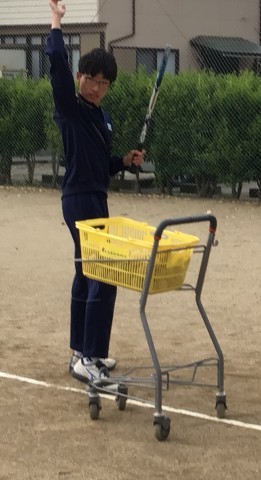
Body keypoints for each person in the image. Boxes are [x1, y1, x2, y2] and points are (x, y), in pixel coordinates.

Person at [46, 0, 145, 385]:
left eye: (104, 83)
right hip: (78, 200)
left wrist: (125, 161)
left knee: (87, 273)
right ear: (79, 77)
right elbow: (56, 65)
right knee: (104, 273)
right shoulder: (70, 107)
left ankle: (81, 351)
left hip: (94, 197)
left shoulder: (102, 117)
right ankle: (89, 357)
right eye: (92, 80)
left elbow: (100, 166)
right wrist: (56, 22)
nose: (97, 88)